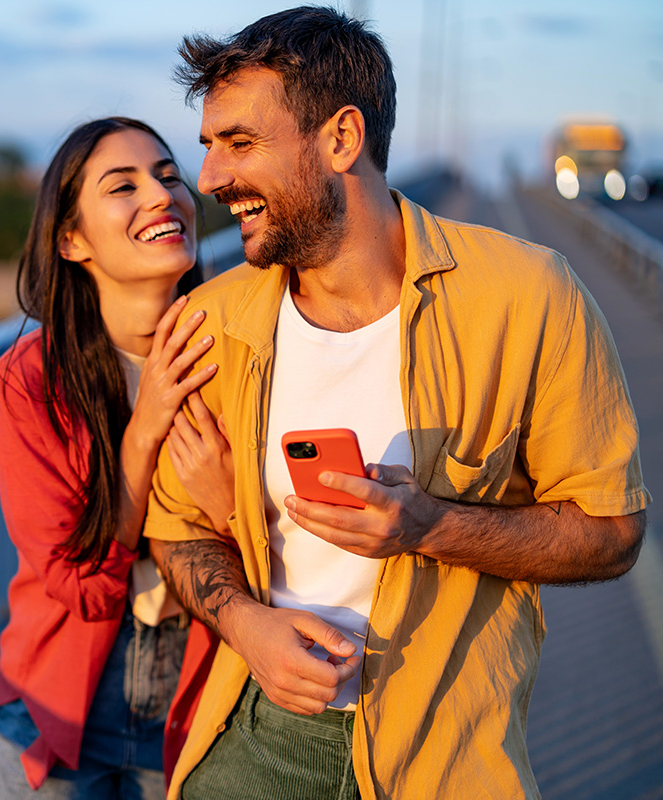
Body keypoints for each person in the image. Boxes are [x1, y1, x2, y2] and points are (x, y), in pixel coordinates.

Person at [144, 7, 651, 800]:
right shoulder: (214, 322)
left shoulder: (529, 297)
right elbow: (175, 529)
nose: (208, 179)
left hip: (448, 755)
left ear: (342, 139)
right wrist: (247, 625)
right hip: (262, 733)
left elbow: (613, 533)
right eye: (208, 146)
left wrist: (432, 526)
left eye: (239, 143)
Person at [0, 117, 232, 799]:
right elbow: (84, 586)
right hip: (58, 710)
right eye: (123, 186)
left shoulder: (239, 353)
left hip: (198, 702)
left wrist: (229, 506)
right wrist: (147, 425)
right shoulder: (29, 383)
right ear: (71, 239)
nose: (160, 195)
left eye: (168, 174)